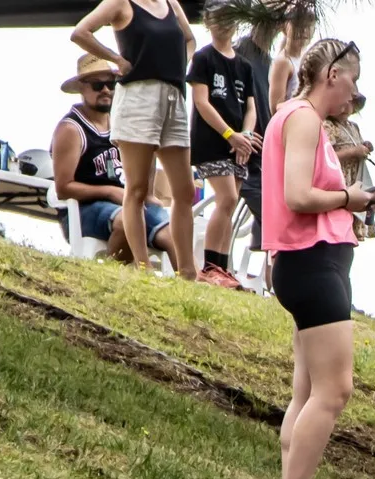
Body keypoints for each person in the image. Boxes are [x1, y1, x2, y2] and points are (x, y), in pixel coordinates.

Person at [261, 37, 375, 479]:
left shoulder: (294, 118)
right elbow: (297, 195)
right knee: (335, 390)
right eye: (353, 78)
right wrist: (347, 197)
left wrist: (355, 202)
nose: (354, 92)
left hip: (315, 261)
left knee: (308, 392)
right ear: (332, 73)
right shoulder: (305, 118)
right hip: (311, 263)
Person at [71, 0, 200, 282]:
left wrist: (181, 62)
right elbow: (81, 32)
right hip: (139, 97)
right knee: (138, 187)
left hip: (174, 97)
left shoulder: (171, 3)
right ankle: (143, 267)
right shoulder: (121, 2)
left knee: (184, 190)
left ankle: (188, 272)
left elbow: (190, 39)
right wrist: (117, 60)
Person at [51, 53, 183, 266]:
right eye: (97, 85)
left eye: (111, 84)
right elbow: (63, 188)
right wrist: (110, 192)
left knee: (174, 235)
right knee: (126, 221)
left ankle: (188, 281)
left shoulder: (121, 122)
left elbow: (145, 157)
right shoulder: (71, 129)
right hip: (83, 209)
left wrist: (147, 193)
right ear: (82, 88)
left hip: (128, 202)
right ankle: (115, 276)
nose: (106, 90)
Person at [188, 1, 260, 288]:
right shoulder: (203, 58)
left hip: (239, 146)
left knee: (230, 204)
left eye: (229, 18)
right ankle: (209, 266)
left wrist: (245, 136)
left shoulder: (244, 65)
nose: (223, 24)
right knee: (226, 198)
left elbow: (251, 107)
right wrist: (230, 135)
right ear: (208, 22)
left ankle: (222, 265)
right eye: (217, 18)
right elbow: (201, 101)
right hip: (212, 143)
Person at [233, 7, 283, 271]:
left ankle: (271, 280)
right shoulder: (240, 52)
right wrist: (239, 132)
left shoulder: (270, 61)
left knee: (278, 221)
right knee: (277, 218)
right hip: (240, 154)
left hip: (265, 156)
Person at [325, 93, 375, 240]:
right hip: (341, 179)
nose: (346, 108)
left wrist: (365, 146)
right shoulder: (328, 125)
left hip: (356, 178)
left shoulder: (354, 126)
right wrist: (353, 152)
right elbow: (325, 157)